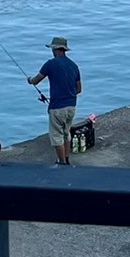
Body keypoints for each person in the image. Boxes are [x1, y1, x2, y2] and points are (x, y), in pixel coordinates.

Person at [28, 36, 81, 165]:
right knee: (66, 133)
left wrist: (29, 80)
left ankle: (62, 163)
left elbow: (36, 80)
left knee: (56, 136)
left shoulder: (51, 64)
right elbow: (78, 89)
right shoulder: (74, 65)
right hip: (72, 106)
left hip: (57, 107)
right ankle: (66, 158)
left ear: (56, 49)